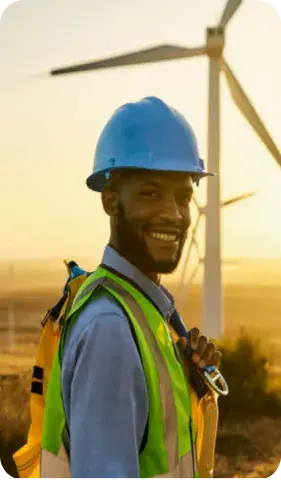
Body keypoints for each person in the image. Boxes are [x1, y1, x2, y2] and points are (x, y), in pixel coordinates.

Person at [41, 96, 222, 480]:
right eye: (150, 193)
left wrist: (187, 390)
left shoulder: (140, 312)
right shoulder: (110, 329)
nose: (173, 214)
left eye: (184, 196)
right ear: (110, 201)